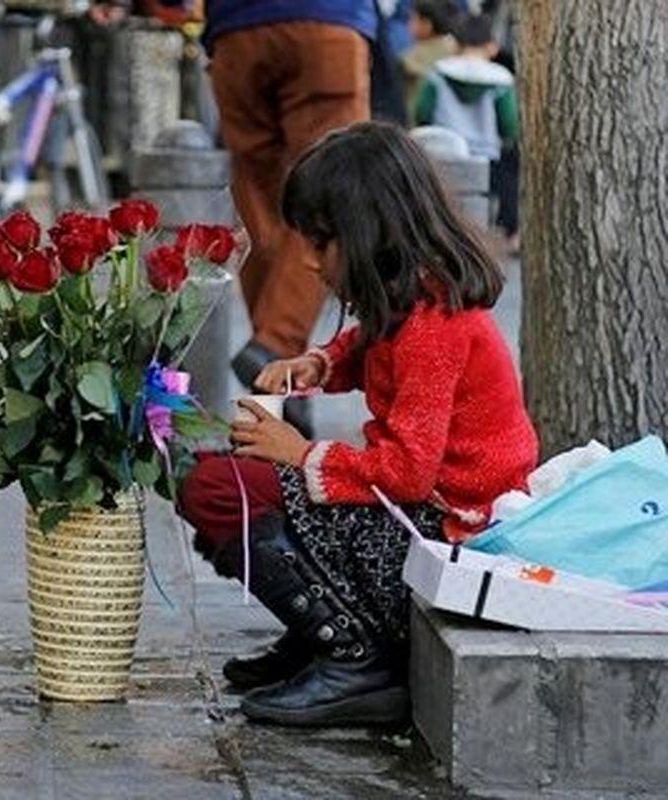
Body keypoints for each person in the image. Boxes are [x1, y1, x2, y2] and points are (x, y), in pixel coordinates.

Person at [180, 122, 538, 726]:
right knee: (218, 480)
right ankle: (320, 633)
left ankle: (354, 654)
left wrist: (297, 455)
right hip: (423, 513)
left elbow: (406, 470)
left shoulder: (434, 323)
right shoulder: (415, 298)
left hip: (444, 529)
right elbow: (367, 345)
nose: (309, 260)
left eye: (322, 243)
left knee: (219, 488)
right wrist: (315, 364)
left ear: (368, 236)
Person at [204, 0, 374, 428]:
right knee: (335, 187)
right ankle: (276, 347)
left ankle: (280, 383)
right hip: (329, 22)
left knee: (262, 196)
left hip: (234, 32)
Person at [412, 13, 519, 250]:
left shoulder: (437, 73)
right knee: (491, 196)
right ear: (491, 47)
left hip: (443, 151)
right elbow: (509, 123)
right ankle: (506, 236)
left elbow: (422, 111)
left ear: (456, 43)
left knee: (444, 201)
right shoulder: (501, 79)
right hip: (486, 155)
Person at [400, 0, 460, 114]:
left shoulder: (410, 58)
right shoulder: (459, 50)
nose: (409, 24)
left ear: (426, 25)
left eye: (413, 19)